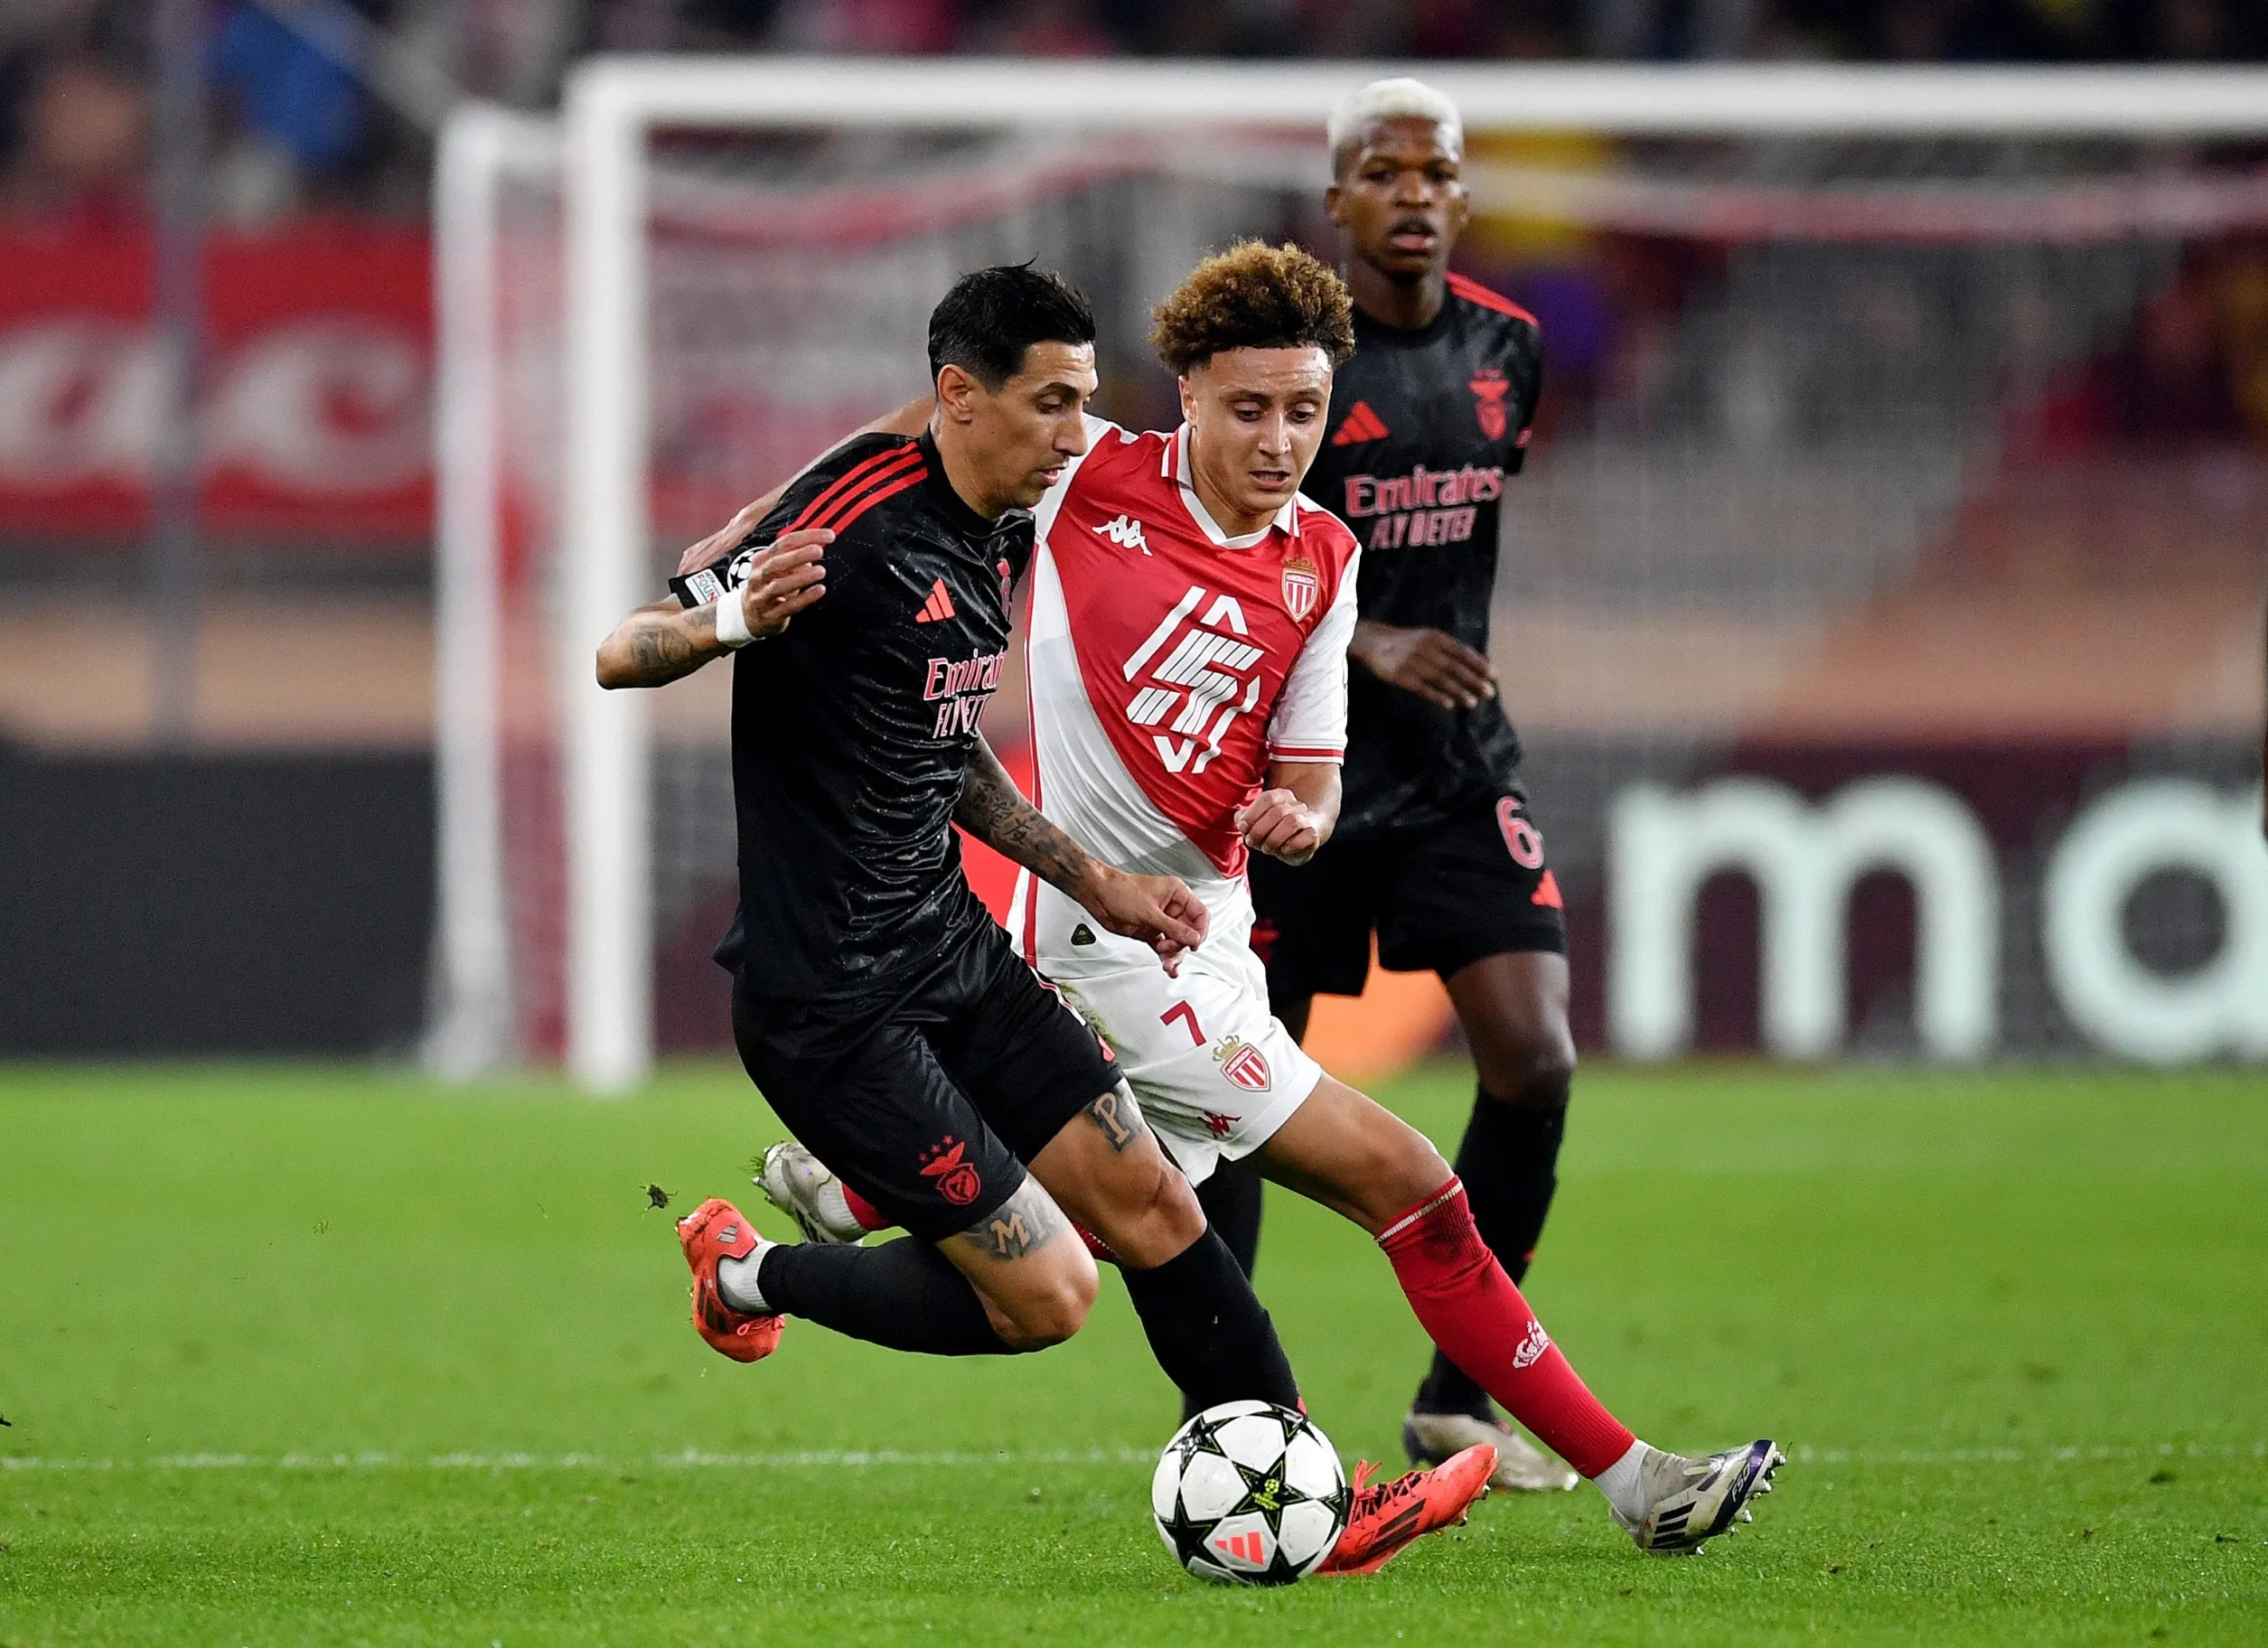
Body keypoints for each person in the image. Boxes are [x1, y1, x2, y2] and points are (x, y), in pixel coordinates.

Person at [727, 243, 1782, 1557]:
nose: (1281, 440)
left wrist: (1307, 816)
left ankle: (813, 1225)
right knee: (1407, 1185)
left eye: (1305, 411)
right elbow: (911, 436)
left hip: (1216, 935)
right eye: (1249, 408)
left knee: (1104, 1238)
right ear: (1182, 394)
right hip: (1108, 944)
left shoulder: (1324, 559)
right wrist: (740, 557)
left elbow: (1312, 768)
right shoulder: (1084, 474)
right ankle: (1629, 1484)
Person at [598, 264, 1492, 1575]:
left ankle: (1300, 1484)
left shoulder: (1001, 522)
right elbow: (624, 646)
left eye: (1087, 400)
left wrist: (1099, 886)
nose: (1079, 435)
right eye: (1054, 402)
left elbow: (943, 747)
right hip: (829, 1005)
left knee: (1156, 1207)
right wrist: (725, 618)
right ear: (960, 396)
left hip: (955, 952)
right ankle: (746, 1275)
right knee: (1051, 1298)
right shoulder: (851, 517)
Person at [1203, 76, 1585, 1492]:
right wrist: (1365, 635)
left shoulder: (1512, 349)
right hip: (1293, 779)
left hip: (1451, 766)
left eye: (1438, 172)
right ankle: (1234, 1405)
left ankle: (1459, 1397)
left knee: (1534, 1055)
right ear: (1337, 202)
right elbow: (1224, 543)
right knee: (1233, 1091)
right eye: (1385, 172)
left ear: (1464, 196)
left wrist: (1423, 646)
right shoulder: (1289, 366)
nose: (1415, 193)